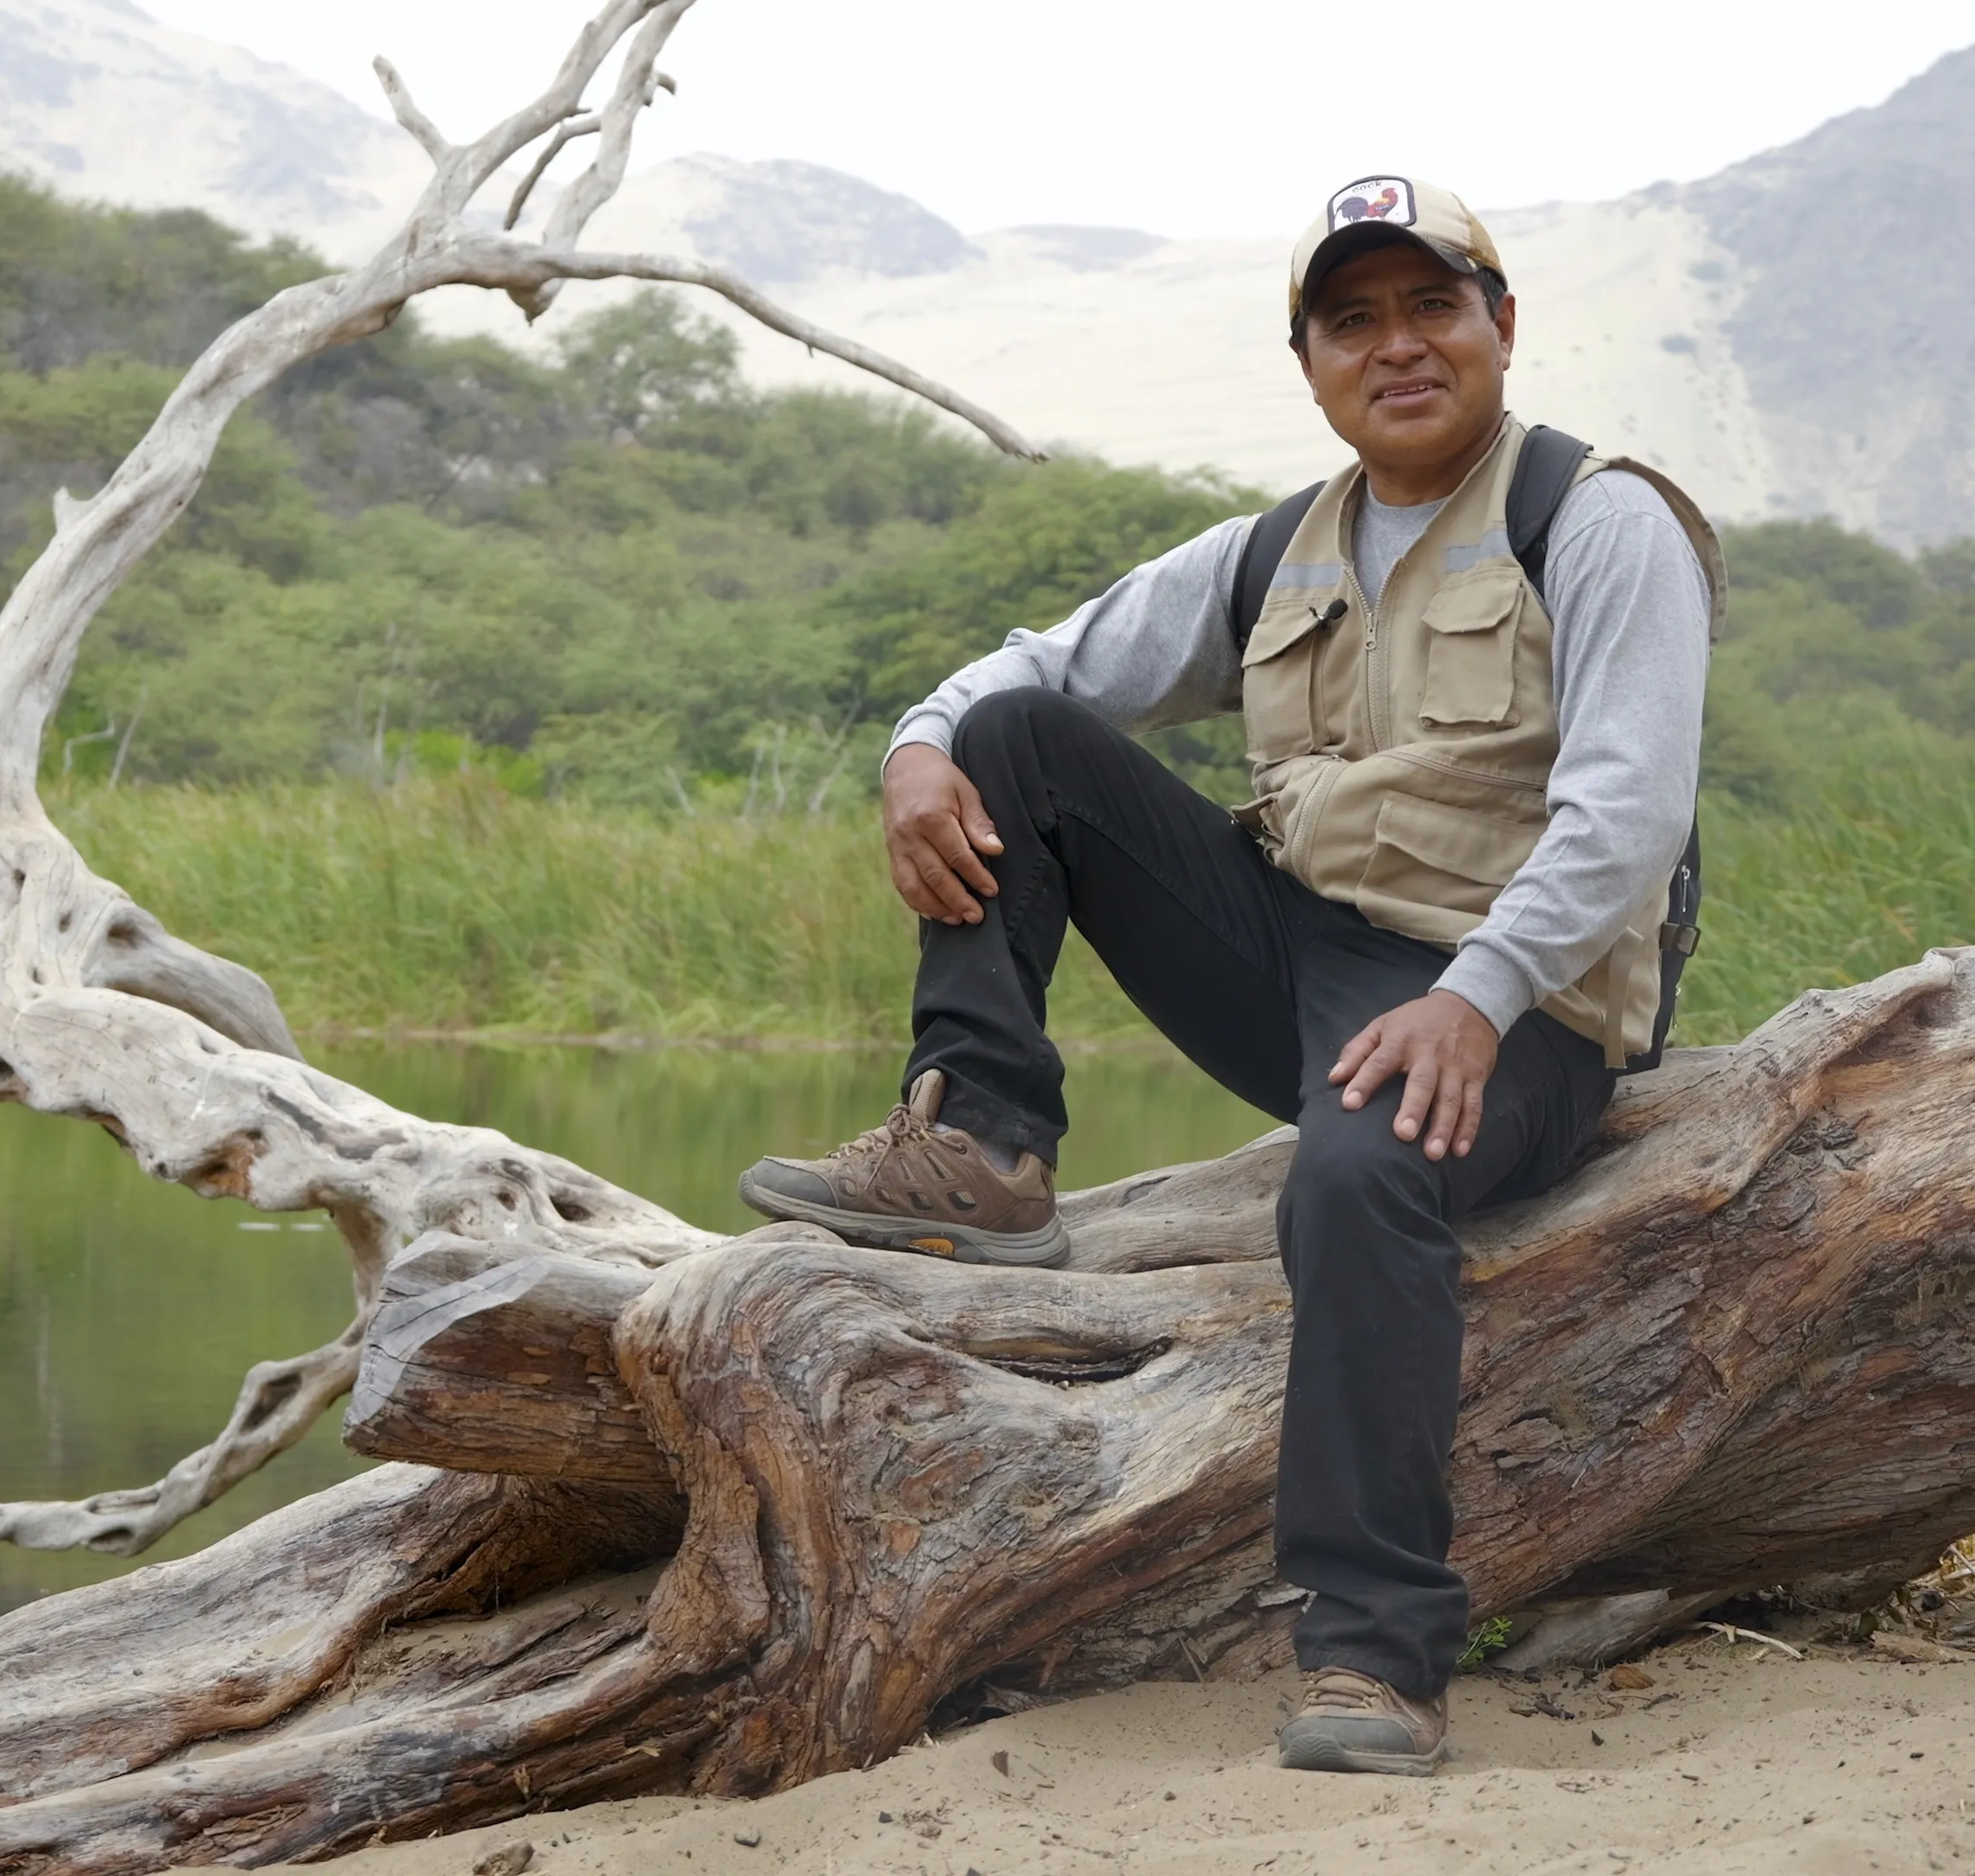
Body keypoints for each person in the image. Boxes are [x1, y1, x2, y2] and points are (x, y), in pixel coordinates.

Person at [736, 175, 1723, 1776]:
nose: (1396, 347)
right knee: (1015, 741)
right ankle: (982, 1142)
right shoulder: (1281, 548)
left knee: (1348, 1186)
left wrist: (1476, 994)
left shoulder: (1596, 518)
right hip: (1305, 956)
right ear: (1311, 360)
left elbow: (1629, 812)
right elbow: (1046, 661)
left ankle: (1377, 1655)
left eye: (1432, 307)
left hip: (1521, 1007)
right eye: (1354, 321)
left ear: (1501, 327)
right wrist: (922, 743)